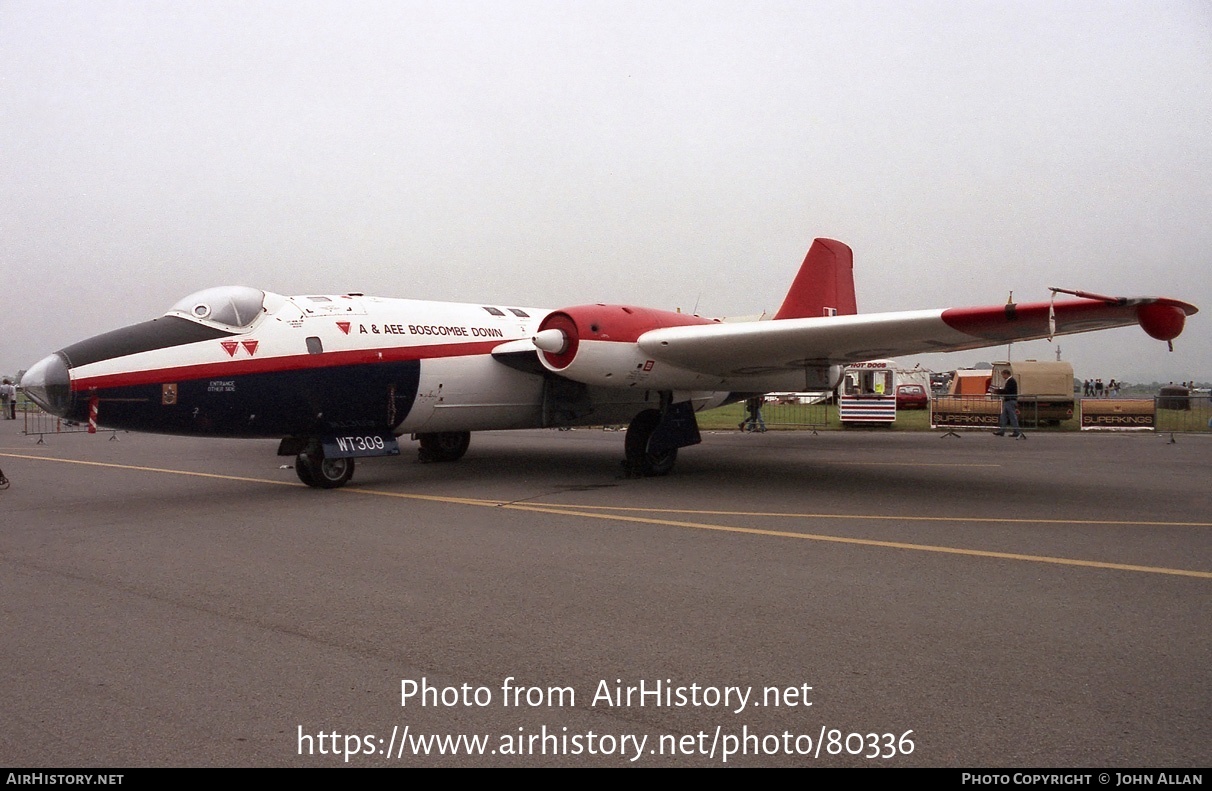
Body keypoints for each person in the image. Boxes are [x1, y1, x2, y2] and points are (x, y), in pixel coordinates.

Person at [993, 370, 1023, 438]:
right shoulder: (1010, 381)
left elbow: (1007, 391)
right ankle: (1001, 431)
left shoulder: (1011, 381)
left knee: (1012, 416)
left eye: (1003, 375)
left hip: (1010, 400)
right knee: (1003, 416)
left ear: (1006, 374)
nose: (1003, 377)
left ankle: (1017, 431)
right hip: (1008, 401)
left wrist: (998, 391)